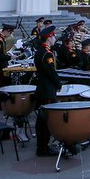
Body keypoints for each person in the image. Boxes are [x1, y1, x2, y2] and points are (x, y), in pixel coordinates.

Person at [34, 25, 61, 157]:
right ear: (49, 38)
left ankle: (42, 146)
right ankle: (43, 148)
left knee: (42, 119)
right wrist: (58, 83)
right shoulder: (47, 53)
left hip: (42, 87)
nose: (54, 38)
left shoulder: (40, 51)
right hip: (47, 90)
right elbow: (51, 72)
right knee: (46, 120)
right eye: (53, 36)